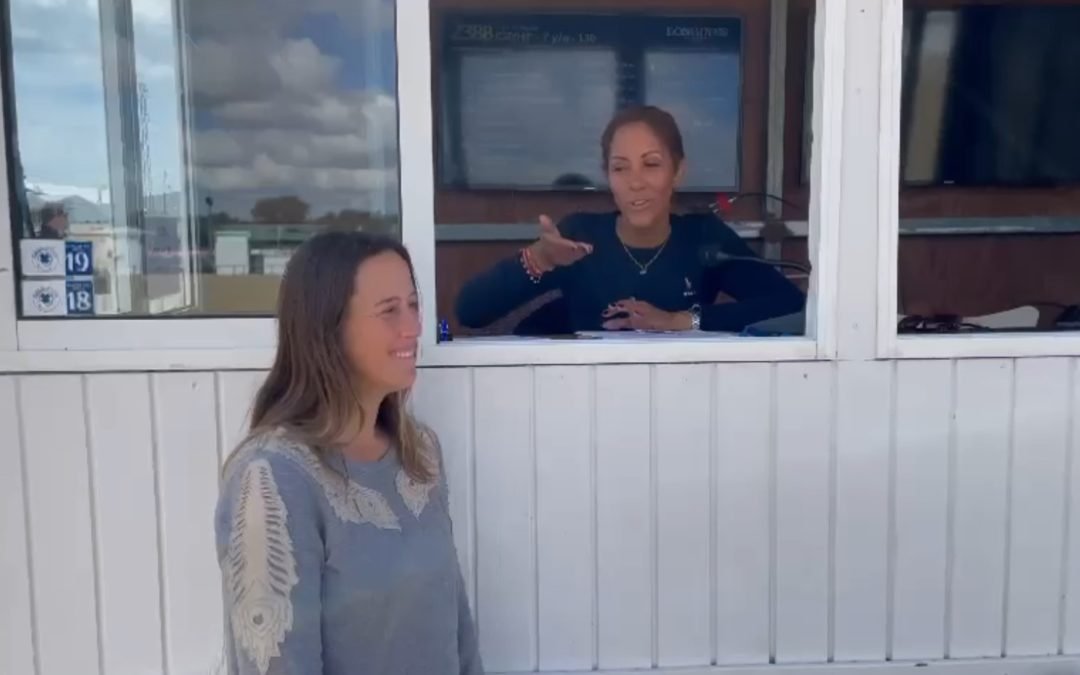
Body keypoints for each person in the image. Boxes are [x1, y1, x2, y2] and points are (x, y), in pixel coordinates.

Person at [215, 231, 483, 675]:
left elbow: (457, 628)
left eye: (413, 305)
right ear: (329, 328)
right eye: (389, 310)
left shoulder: (419, 453)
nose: (413, 327)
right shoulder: (273, 478)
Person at [455, 105, 805, 333]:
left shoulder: (703, 238)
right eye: (620, 168)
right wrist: (539, 258)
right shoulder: (580, 235)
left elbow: (790, 306)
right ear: (607, 176)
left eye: (651, 164)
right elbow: (470, 312)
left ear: (678, 171)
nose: (635, 182)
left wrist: (680, 321)